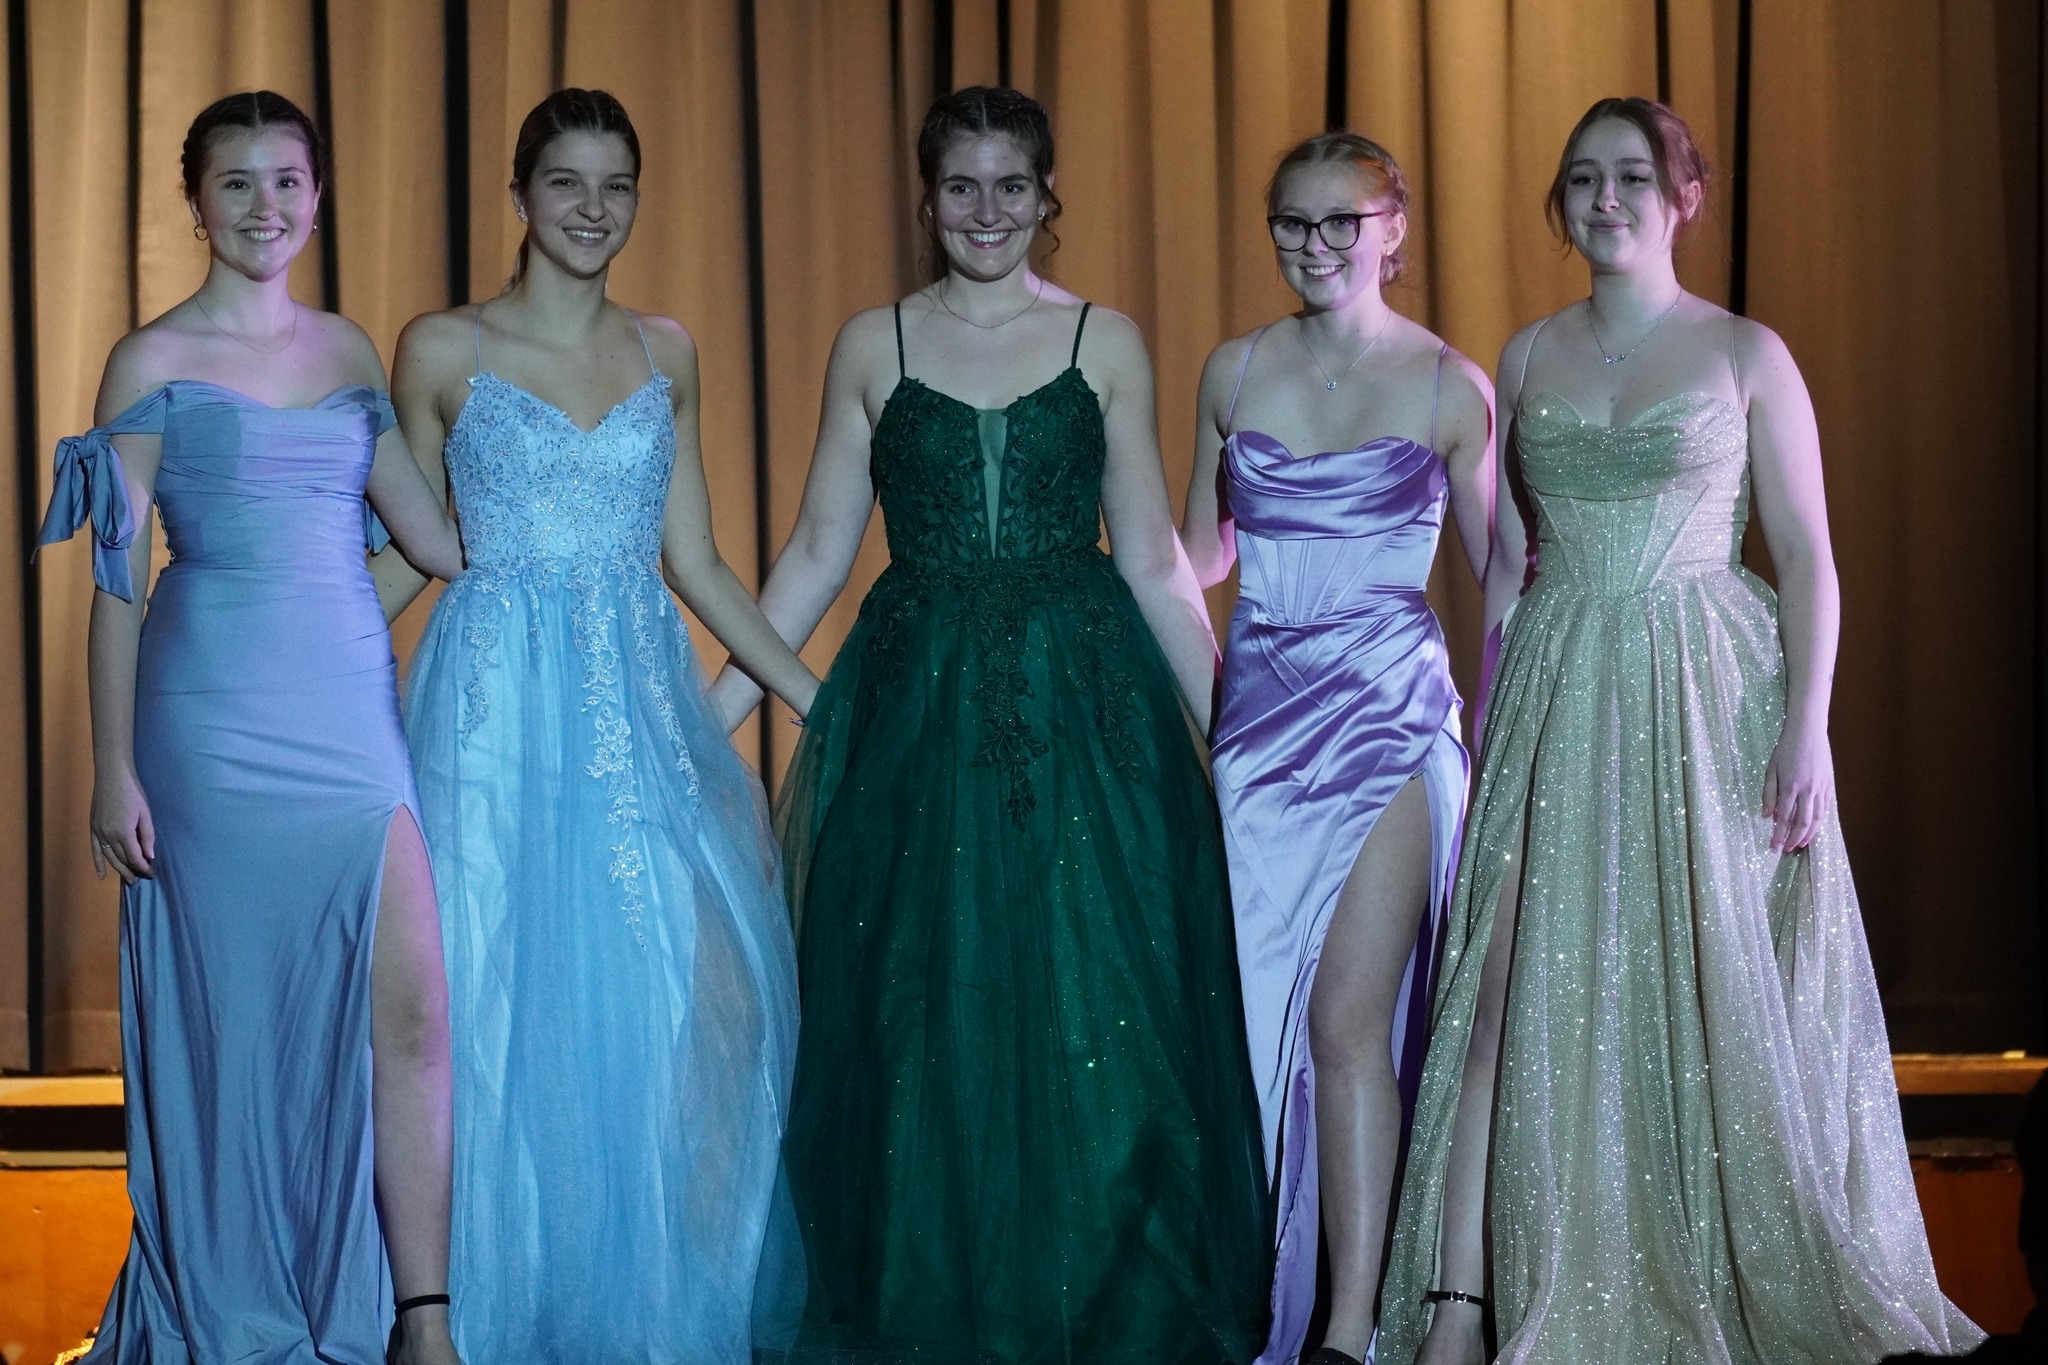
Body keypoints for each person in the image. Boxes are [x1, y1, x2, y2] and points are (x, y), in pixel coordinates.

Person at [1375, 97, 1983, 1365]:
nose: (1605, 199)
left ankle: (1702, 1265)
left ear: (1682, 197)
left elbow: (1806, 558)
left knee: (1709, 994)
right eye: (1582, 178)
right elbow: (1508, 568)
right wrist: (1488, 722)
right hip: (1556, 684)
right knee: (1504, 993)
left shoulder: (1745, 352)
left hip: (1705, 691)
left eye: (1632, 178)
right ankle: (1459, 1306)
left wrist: (1806, 728)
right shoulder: (1525, 354)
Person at [706, 85, 1270, 1365]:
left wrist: (1235, 741)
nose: (985, 210)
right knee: (917, 1019)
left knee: (1101, 1005)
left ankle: (1106, 1307)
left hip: (1087, 719)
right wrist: (706, 715)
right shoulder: (875, 343)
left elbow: (1152, 562)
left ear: (1044, 195)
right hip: (917, 717)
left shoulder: (1103, 340)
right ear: (927, 199)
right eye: (959, 186)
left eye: (1009, 185)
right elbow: (813, 556)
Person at [378, 89, 814, 1363]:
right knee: (486, 1002)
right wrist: (270, 644)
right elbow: (417, 551)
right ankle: (482, 1317)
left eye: (616, 185)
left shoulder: (665, 352)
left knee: (665, 1005)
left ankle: (645, 1322)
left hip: (635, 713)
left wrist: (818, 698)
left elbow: (701, 565)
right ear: (517, 195)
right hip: (489, 718)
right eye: (565, 181)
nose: (592, 208)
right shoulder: (439, 348)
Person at [38, 91, 465, 1365]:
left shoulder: (346, 350)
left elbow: (434, 540)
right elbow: (117, 587)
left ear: (317, 198)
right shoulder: (148, 359)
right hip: (206, 726)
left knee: (412, 1013)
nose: (264, 205)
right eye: (236, 182)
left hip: (347, 718)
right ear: (196, 203)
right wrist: (113, 770)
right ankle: (235, 1311)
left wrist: (528, 447)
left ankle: (419, 1320)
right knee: (238, 1028)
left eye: (286, 180)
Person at [1179, 131, 1492, 1365]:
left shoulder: (1448, 385)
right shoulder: (1233, 368)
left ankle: (1349, 1333)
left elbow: (1504, 577)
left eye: (1337, 222)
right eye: (1289, 223)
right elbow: (1200, 555)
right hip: (1257, 735)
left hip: (1390, 719)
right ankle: (1272, 1293)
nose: (1311, 246)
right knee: (1260, 1022)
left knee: (1345, 1020)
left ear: (1390, 229)